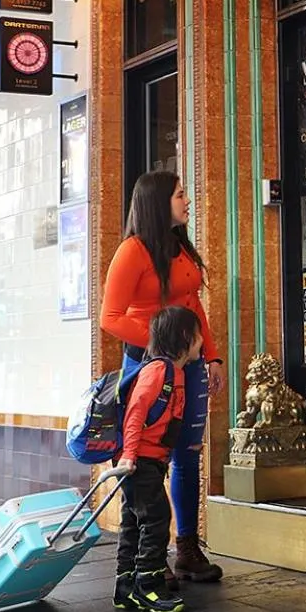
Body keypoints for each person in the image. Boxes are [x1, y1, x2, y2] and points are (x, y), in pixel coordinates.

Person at [100, 171, 225, 584]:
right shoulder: (132, 251)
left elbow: (192, 305)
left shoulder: (180, 246)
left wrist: (211, 354)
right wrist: (164, 346)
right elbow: (110, 318)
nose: (187, 201)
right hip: (148, 365)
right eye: (179, 195)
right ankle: (149, 557)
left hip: (190, 363)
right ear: (158, 203)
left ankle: (187, 548)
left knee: (188, 453)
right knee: (148, 458)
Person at [114, 305, 202, 612]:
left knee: (133, 523)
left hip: (149, 460)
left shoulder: (175, 372)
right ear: (185, 337)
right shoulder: (158, 371)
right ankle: (148, 586)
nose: (202, 341)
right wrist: (129, 456)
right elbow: (135, 413)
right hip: (138, 461)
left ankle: (125, 586)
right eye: (198, 335)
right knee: (156, 520)